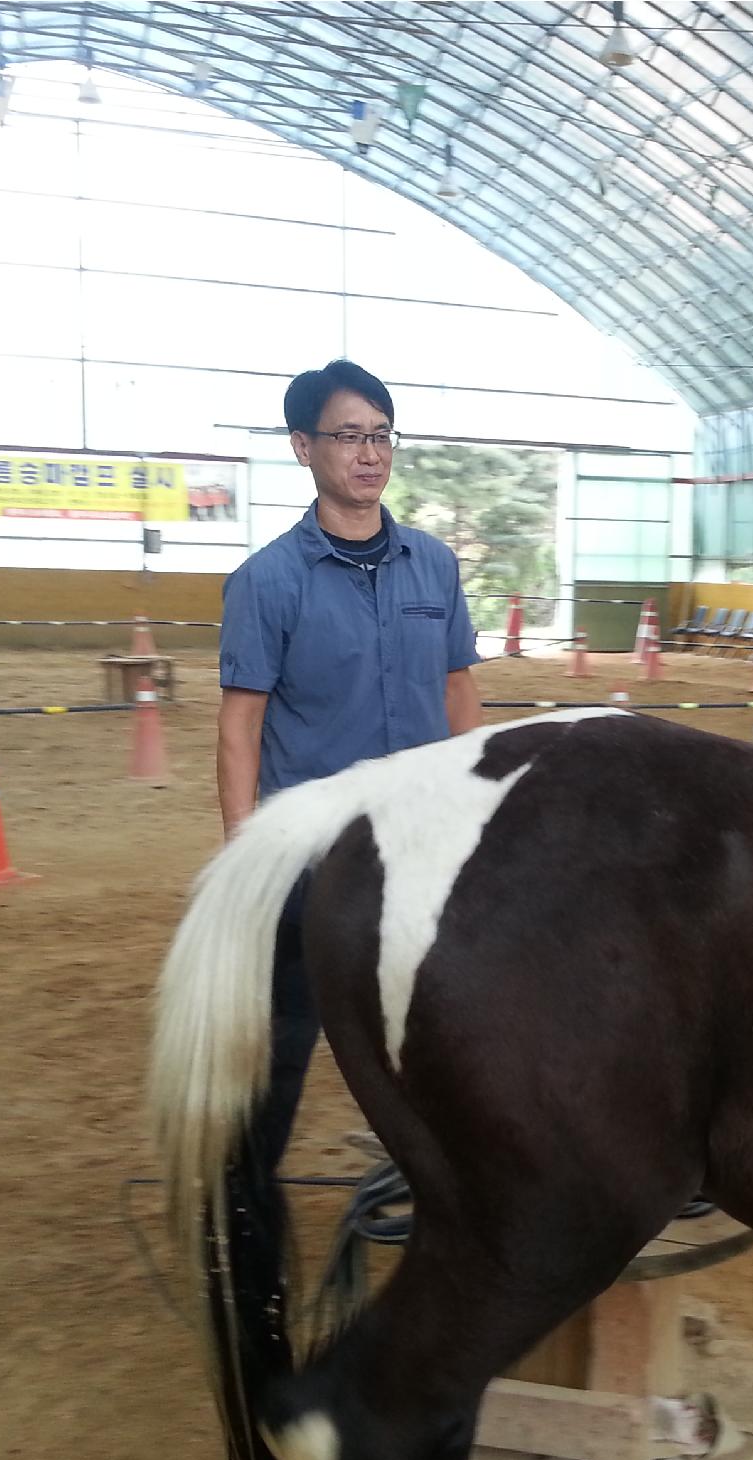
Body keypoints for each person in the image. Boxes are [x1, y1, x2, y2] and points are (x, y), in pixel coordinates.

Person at [217, 358, 482, 1164]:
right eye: (348, 437)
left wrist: (477, 804)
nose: (369, 454)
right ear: (304, 447)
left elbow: (459, 688)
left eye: (381, 436)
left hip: (424, 846)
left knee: (443, 1035)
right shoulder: (266, 583)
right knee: (279, 1055)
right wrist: (245, 865)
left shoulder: (432, 565)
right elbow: (241, 728)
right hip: (313, 860)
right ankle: (244, 1220)